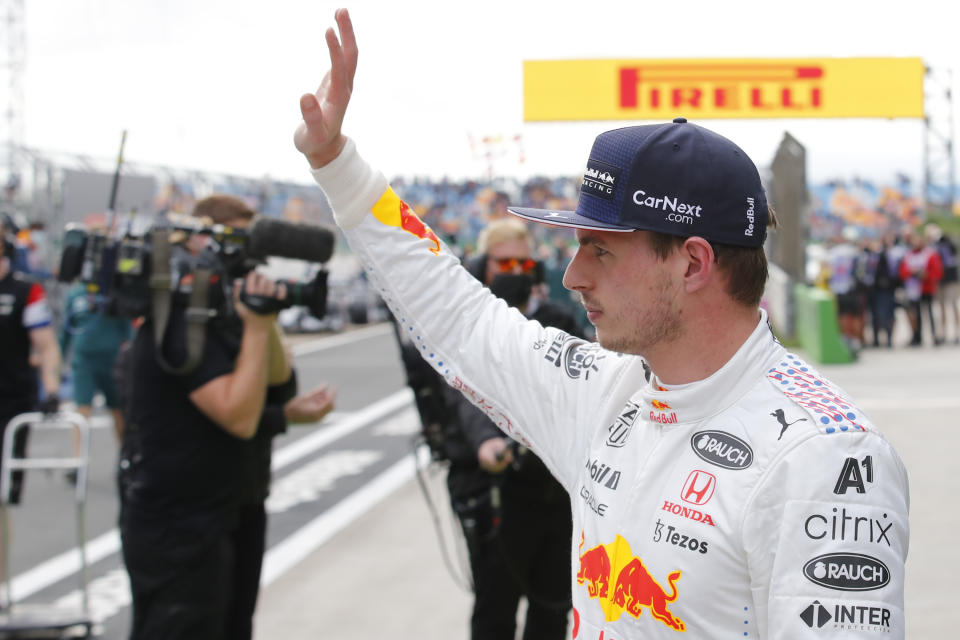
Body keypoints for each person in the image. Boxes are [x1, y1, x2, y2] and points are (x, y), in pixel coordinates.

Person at [294, 10, 909, 639]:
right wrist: (338, 166)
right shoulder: (608, 392)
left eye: (603, 249)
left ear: (694, 262)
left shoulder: (825, 459)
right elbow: (461, 318)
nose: (572, 275)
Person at [117, 197, 334, 640]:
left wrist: (260, 316)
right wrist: (255, 325)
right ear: (202, 242)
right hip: (180, 520)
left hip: (234, 503)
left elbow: (274, 381)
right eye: (237, 244)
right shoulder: (179, 318)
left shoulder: (224, 312)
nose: (248, 259)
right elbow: (237, 414)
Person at [455, 218, 581, 639]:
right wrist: (486, 441)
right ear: (483, 266)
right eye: (503, 263)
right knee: (494, 608)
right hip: (496, 489)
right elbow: (461, 391)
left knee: (553, 608)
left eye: (523, 265)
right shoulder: (471, 324)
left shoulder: (559, 320)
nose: (514, 273)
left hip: (554, 489)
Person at [0, 222, 61, 505]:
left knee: (2, 499)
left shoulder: (26, 290)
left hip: (10, 404)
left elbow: (46, 346)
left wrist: (51, 390)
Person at [59, 280, 133, 445]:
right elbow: (66, 331)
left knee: (118, 408)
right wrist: (58, 362)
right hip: (84, 360)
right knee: (82, 407)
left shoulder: (114, 292)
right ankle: (77, 462)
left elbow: (127, 330)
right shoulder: (76, 294)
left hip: (112, 359)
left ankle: (124, 456)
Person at [899, 227, 943, 347]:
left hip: (926, 288)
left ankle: (935, 336)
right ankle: (917, 336)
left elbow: (937, 271)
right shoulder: (908, 255)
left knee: (929, 313)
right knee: (915, 314)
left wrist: (926, 275)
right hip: (913, 289)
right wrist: (912, 272)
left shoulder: (929, 254)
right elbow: (903, 271)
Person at [926, 223, 959, 344]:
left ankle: (956, 333)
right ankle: (943, 333)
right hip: (939, 280)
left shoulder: (947, 243)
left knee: (953, 305)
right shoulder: (932, 246)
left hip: (950, 280)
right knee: (941, 307)